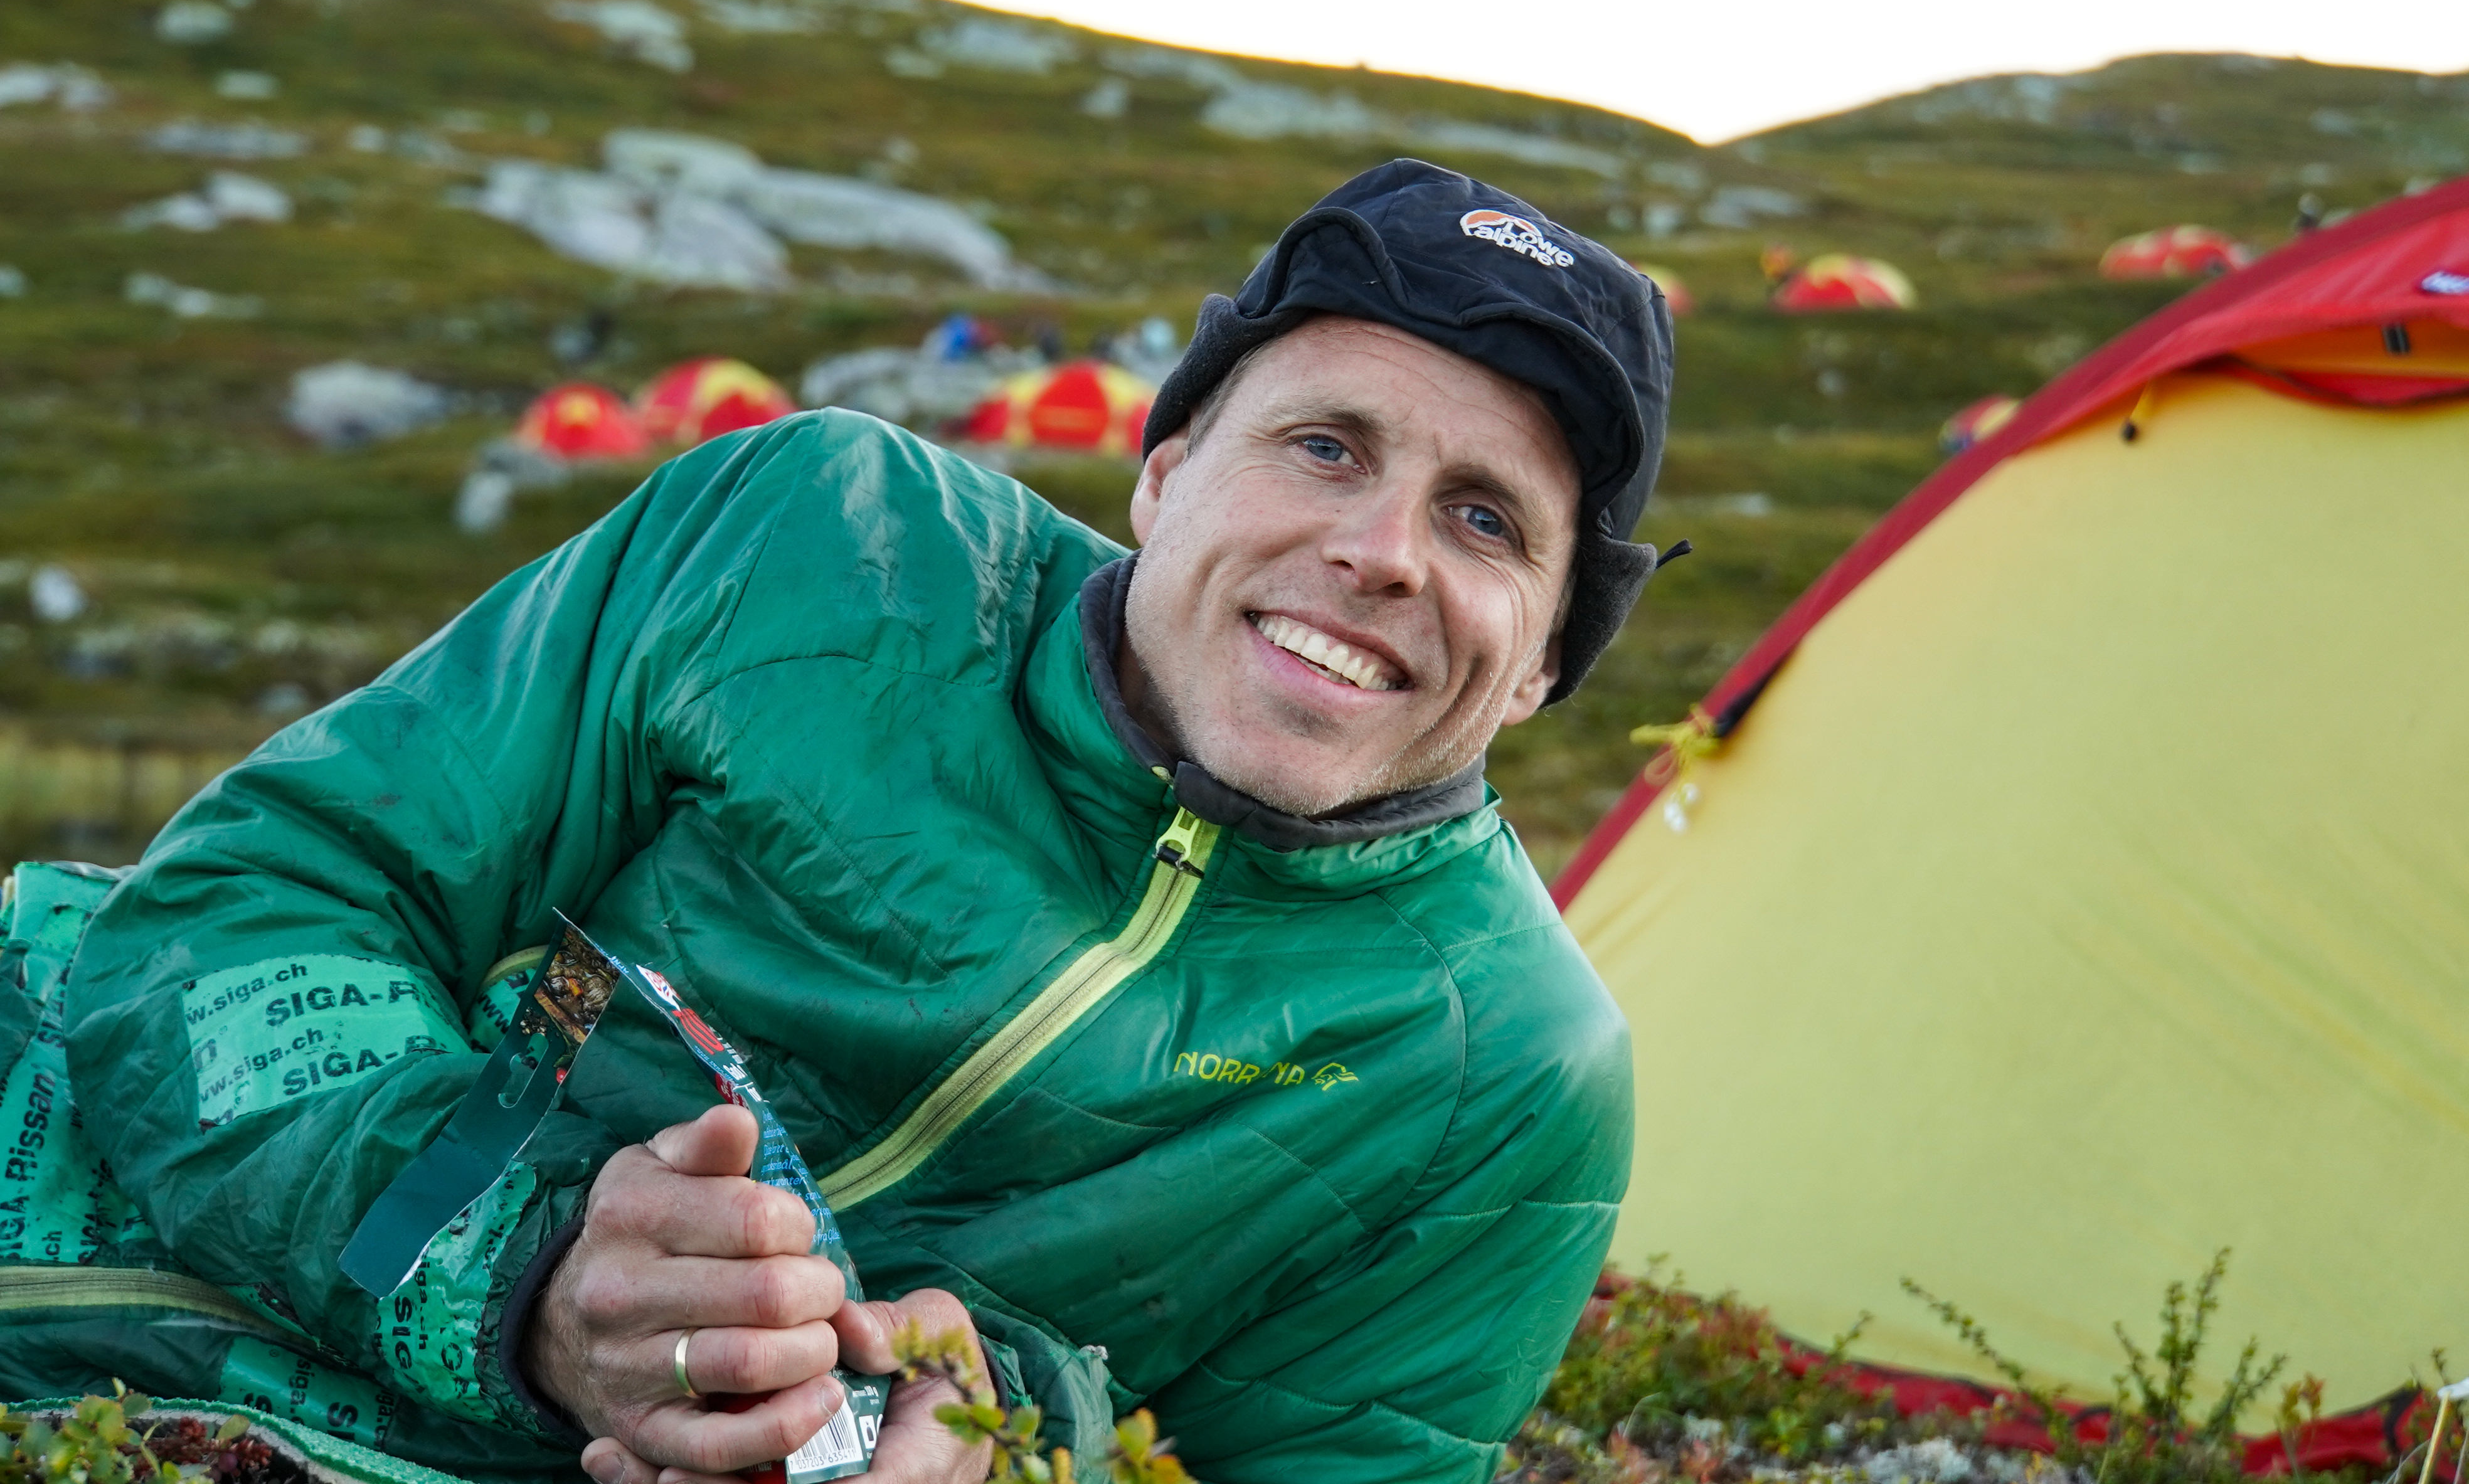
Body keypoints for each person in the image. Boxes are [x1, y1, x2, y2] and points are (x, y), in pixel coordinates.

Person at [29, 159, 1675, 1483]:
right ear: (1166, 474)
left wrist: (1025, 1435)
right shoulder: (817, 536)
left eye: (1486, 520)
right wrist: (527, 1280)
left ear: (1545, 660)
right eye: (1323, 446)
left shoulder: (1512, 1078)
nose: (1383, 552)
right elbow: (258, 900)